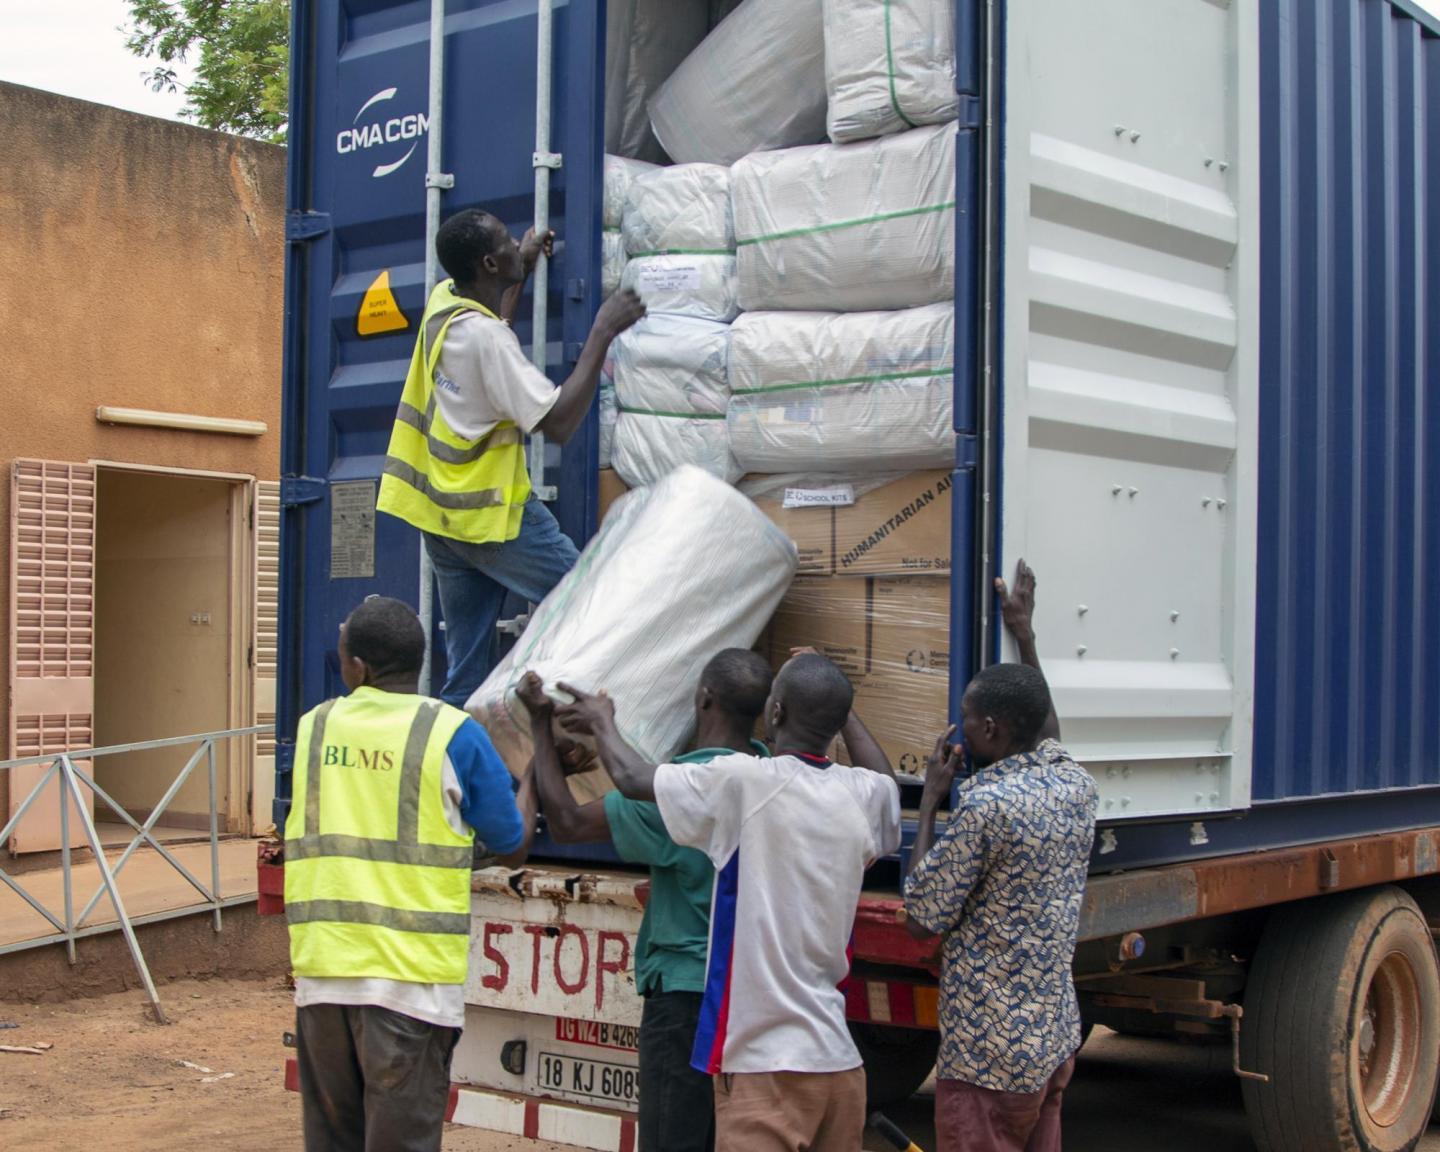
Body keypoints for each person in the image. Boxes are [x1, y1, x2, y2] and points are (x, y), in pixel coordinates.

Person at [556, 653, 901, 1152]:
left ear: (775, 712)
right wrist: (838, 706)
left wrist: (602, 721)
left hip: (764, 1065)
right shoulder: (859, 795)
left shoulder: (743, 782)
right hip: (839, 1063)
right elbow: (887, 782)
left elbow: (633, 780)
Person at [283, 596, 538, 1152]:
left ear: (357, 668)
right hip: (410, 987)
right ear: (418, 663)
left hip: (323, 976)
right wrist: (535, 775)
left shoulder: (313, 729)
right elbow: (511, 843)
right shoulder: (451, 733)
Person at [377, 208, 646, 708]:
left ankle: (453, 774)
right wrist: (602, 332)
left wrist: (519, 269)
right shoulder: (486, 339)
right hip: (493, 520)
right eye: (504, 244)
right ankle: (589, 708)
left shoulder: (445, 302)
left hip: (442, 520)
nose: (511, 245)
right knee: (587, 594)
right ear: (487, 264)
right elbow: (559, 422)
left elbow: (491, 335)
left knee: (466, 672)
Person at [518, 648, 775, 1152]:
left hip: (685, 1000)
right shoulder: (772, 772)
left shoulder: (676, 795)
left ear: (702, 699)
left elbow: (567, 823)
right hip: (753, 994)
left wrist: (540, 726)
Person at [903, 561, 1098, 1152]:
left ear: (989, 727)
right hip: (1052, 1043)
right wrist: (1025, 636)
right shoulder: (1076, 786)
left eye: (965, 717)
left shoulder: (986, 808)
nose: (958, 730)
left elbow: (920, 916)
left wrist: (931, 803)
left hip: (987, 1058)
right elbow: (1047, 729)